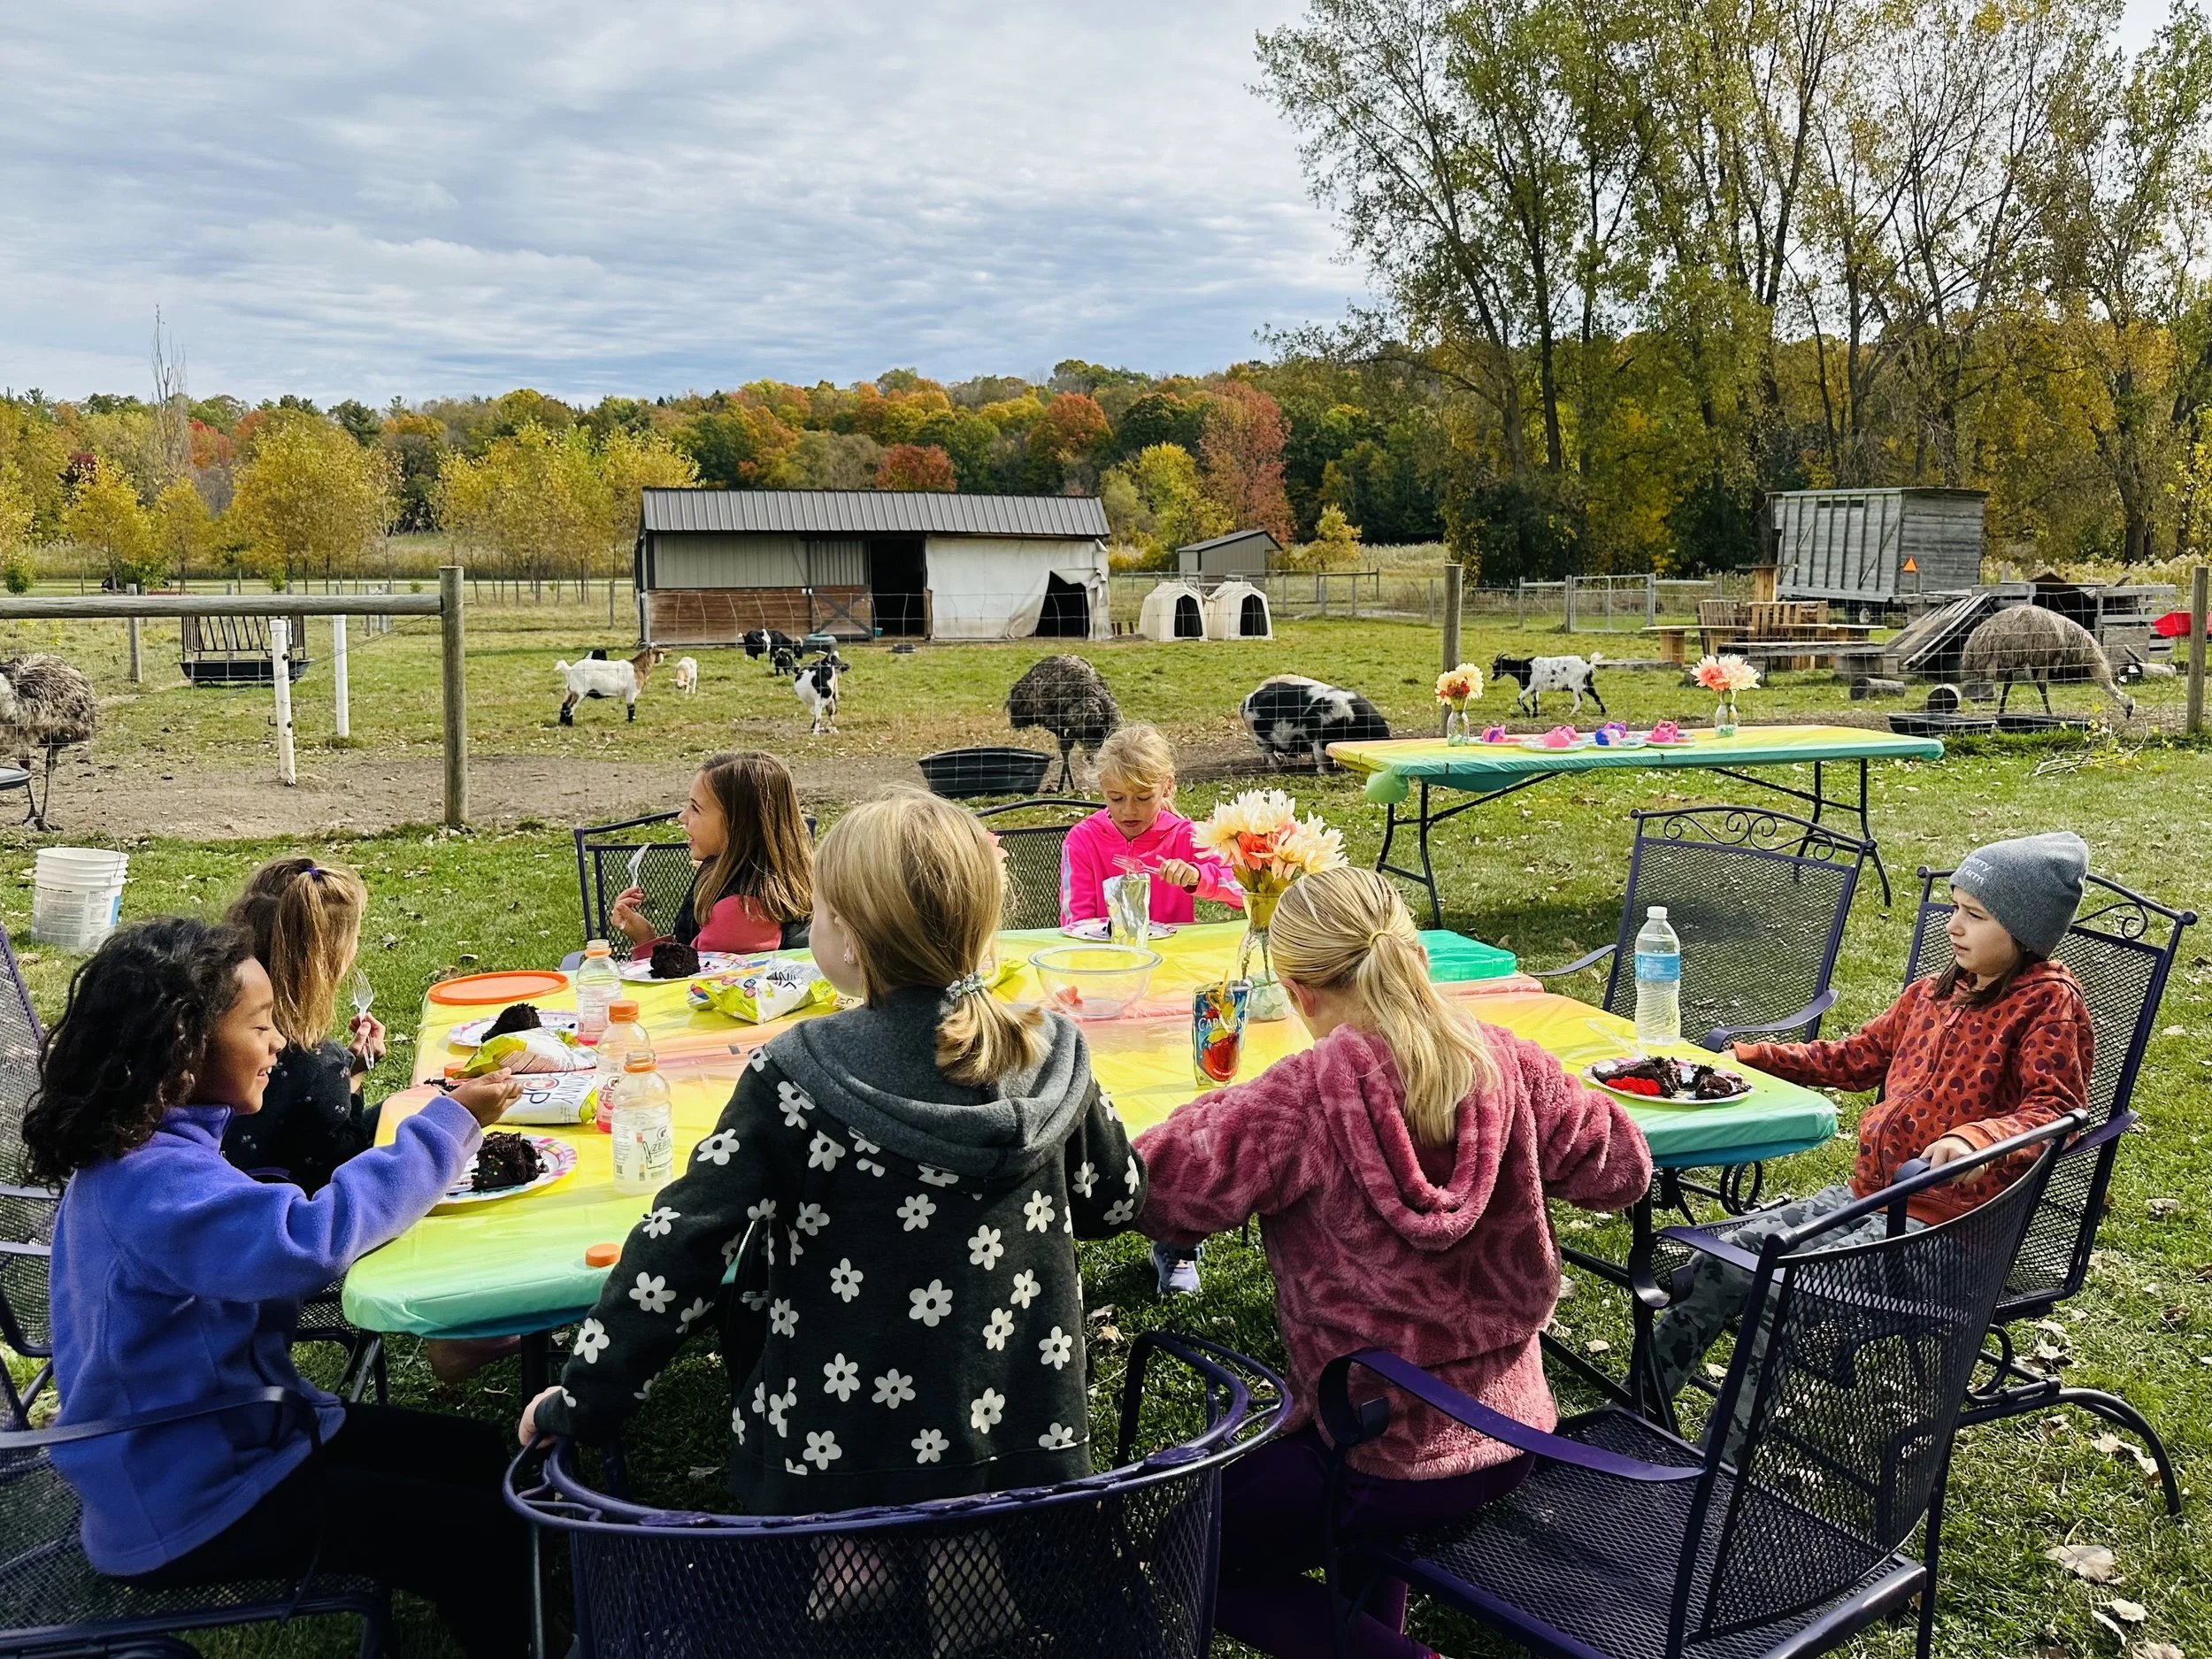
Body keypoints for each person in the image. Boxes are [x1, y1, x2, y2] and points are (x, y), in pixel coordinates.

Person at [521, 788, 1144, 1513]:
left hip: (833, 1457)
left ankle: (849, 1595)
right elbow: (1119, 1199)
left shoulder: (795, 1072)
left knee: (842, 1589)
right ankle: (967, 1611)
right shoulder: (1056, 1048)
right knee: (972, 1589)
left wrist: (583, 1397)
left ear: (847, 935)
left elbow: (681, 1248)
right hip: (1024, 1449)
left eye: (816, 910)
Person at [1134, 867, 1652, 1659]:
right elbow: (1624, 1171)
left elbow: (1158, 1190)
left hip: (1376, 1455)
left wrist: (1207, 1109)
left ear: (1299, 991)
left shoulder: (1295, 1100)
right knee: (1354, 1503)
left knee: (1183, 1546)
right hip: (1519, 1430)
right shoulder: (1508, 1063)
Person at [26, 917, 529, 1659]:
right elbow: (309, 1242)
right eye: (260, 1026)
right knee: (472, 1532)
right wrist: (445, 1126)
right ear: (183, 1044)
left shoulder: (152, 1146)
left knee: (488, 1460)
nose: (281, 1043)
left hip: (231, 1440)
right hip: (190, 1503)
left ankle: (542, 1607)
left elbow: (255, 1239)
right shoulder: (151, 1180)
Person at [1649, 829, 2095, 1404]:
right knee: (1723, 1262)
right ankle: (1645, 1408)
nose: (1954, 926)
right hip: (1869, 1200)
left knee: (1779, 1290)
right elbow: (1857, 1057)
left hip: (1947, 1235)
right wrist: (1759, 1058)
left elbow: (2056, 1108)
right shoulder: (1932, 995)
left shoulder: (2048, 1002)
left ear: (2025, 930)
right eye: (1955, 908)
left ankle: (1726, 1471)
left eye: (1976, 915)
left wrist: (1977, 1138)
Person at [219, 856, 382, 1195]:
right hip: (282, 1218)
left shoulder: (204, 1030)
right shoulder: (318, 1063)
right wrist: (350, 1078)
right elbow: (340, 1167)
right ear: (330, 958)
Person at [611, 749, 812, 954]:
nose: (682, 816)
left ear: (737, 825)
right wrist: (645, 936)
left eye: (696, 808)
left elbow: (688, 982)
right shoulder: (735, 874)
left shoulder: (740, 913)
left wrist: (646, 944)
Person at [1059, 724, 1242, 932]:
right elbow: (1075, 925)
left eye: (1143, 798)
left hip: (1173, 957)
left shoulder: (1186, 835)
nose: (1129, 810)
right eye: (1116, 798)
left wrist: (1198, 877)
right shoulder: (1083, 840)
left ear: (1167, 787)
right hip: (1105, 957)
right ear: (1103, 787)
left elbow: (1243, 889)